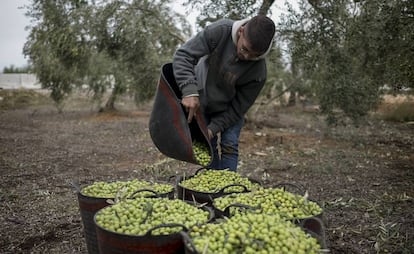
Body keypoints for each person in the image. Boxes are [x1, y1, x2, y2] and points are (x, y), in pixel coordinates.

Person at [172, 15, 275, 171]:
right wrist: (189, 90)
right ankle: (211, 192)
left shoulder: (258, 72)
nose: (247, 57)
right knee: (208, 147)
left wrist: (213, 129)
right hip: (203, 102)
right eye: (245, 49)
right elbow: (183, 56)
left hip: (229, 110)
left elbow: (238, 108)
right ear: (241, 31)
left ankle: (228, 190)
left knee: (229, 146)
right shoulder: (220, 31)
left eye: (254, 55)